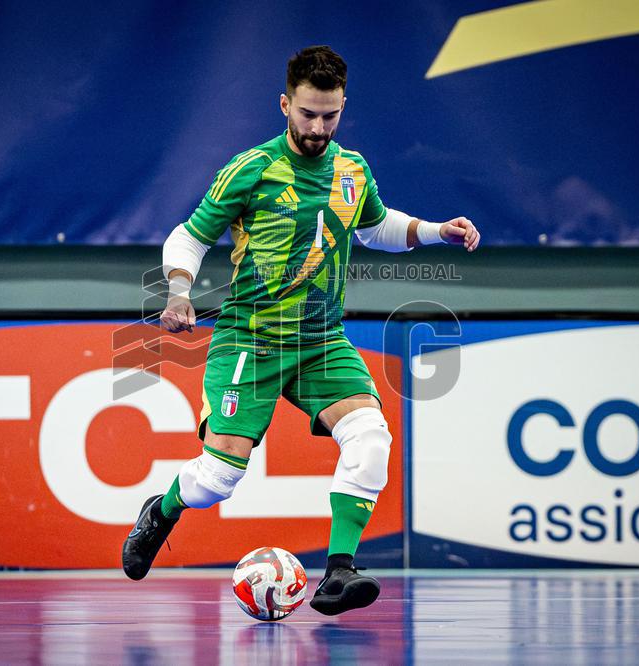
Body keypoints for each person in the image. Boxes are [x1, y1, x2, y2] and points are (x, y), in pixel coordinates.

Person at [123, 45, 479, 615]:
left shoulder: (352, 169)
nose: (317, 128)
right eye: (308, 114)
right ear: (285, 104)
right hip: (250, 339)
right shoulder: (251, 169)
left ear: (343, 108)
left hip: (320, 340)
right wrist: (179, 291)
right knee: (216, 480)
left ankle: (339, 572)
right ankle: (160, 513)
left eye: (329, 116)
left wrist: (439, 230)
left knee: (370, 436)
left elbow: (375, 227)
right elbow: (189, 236)